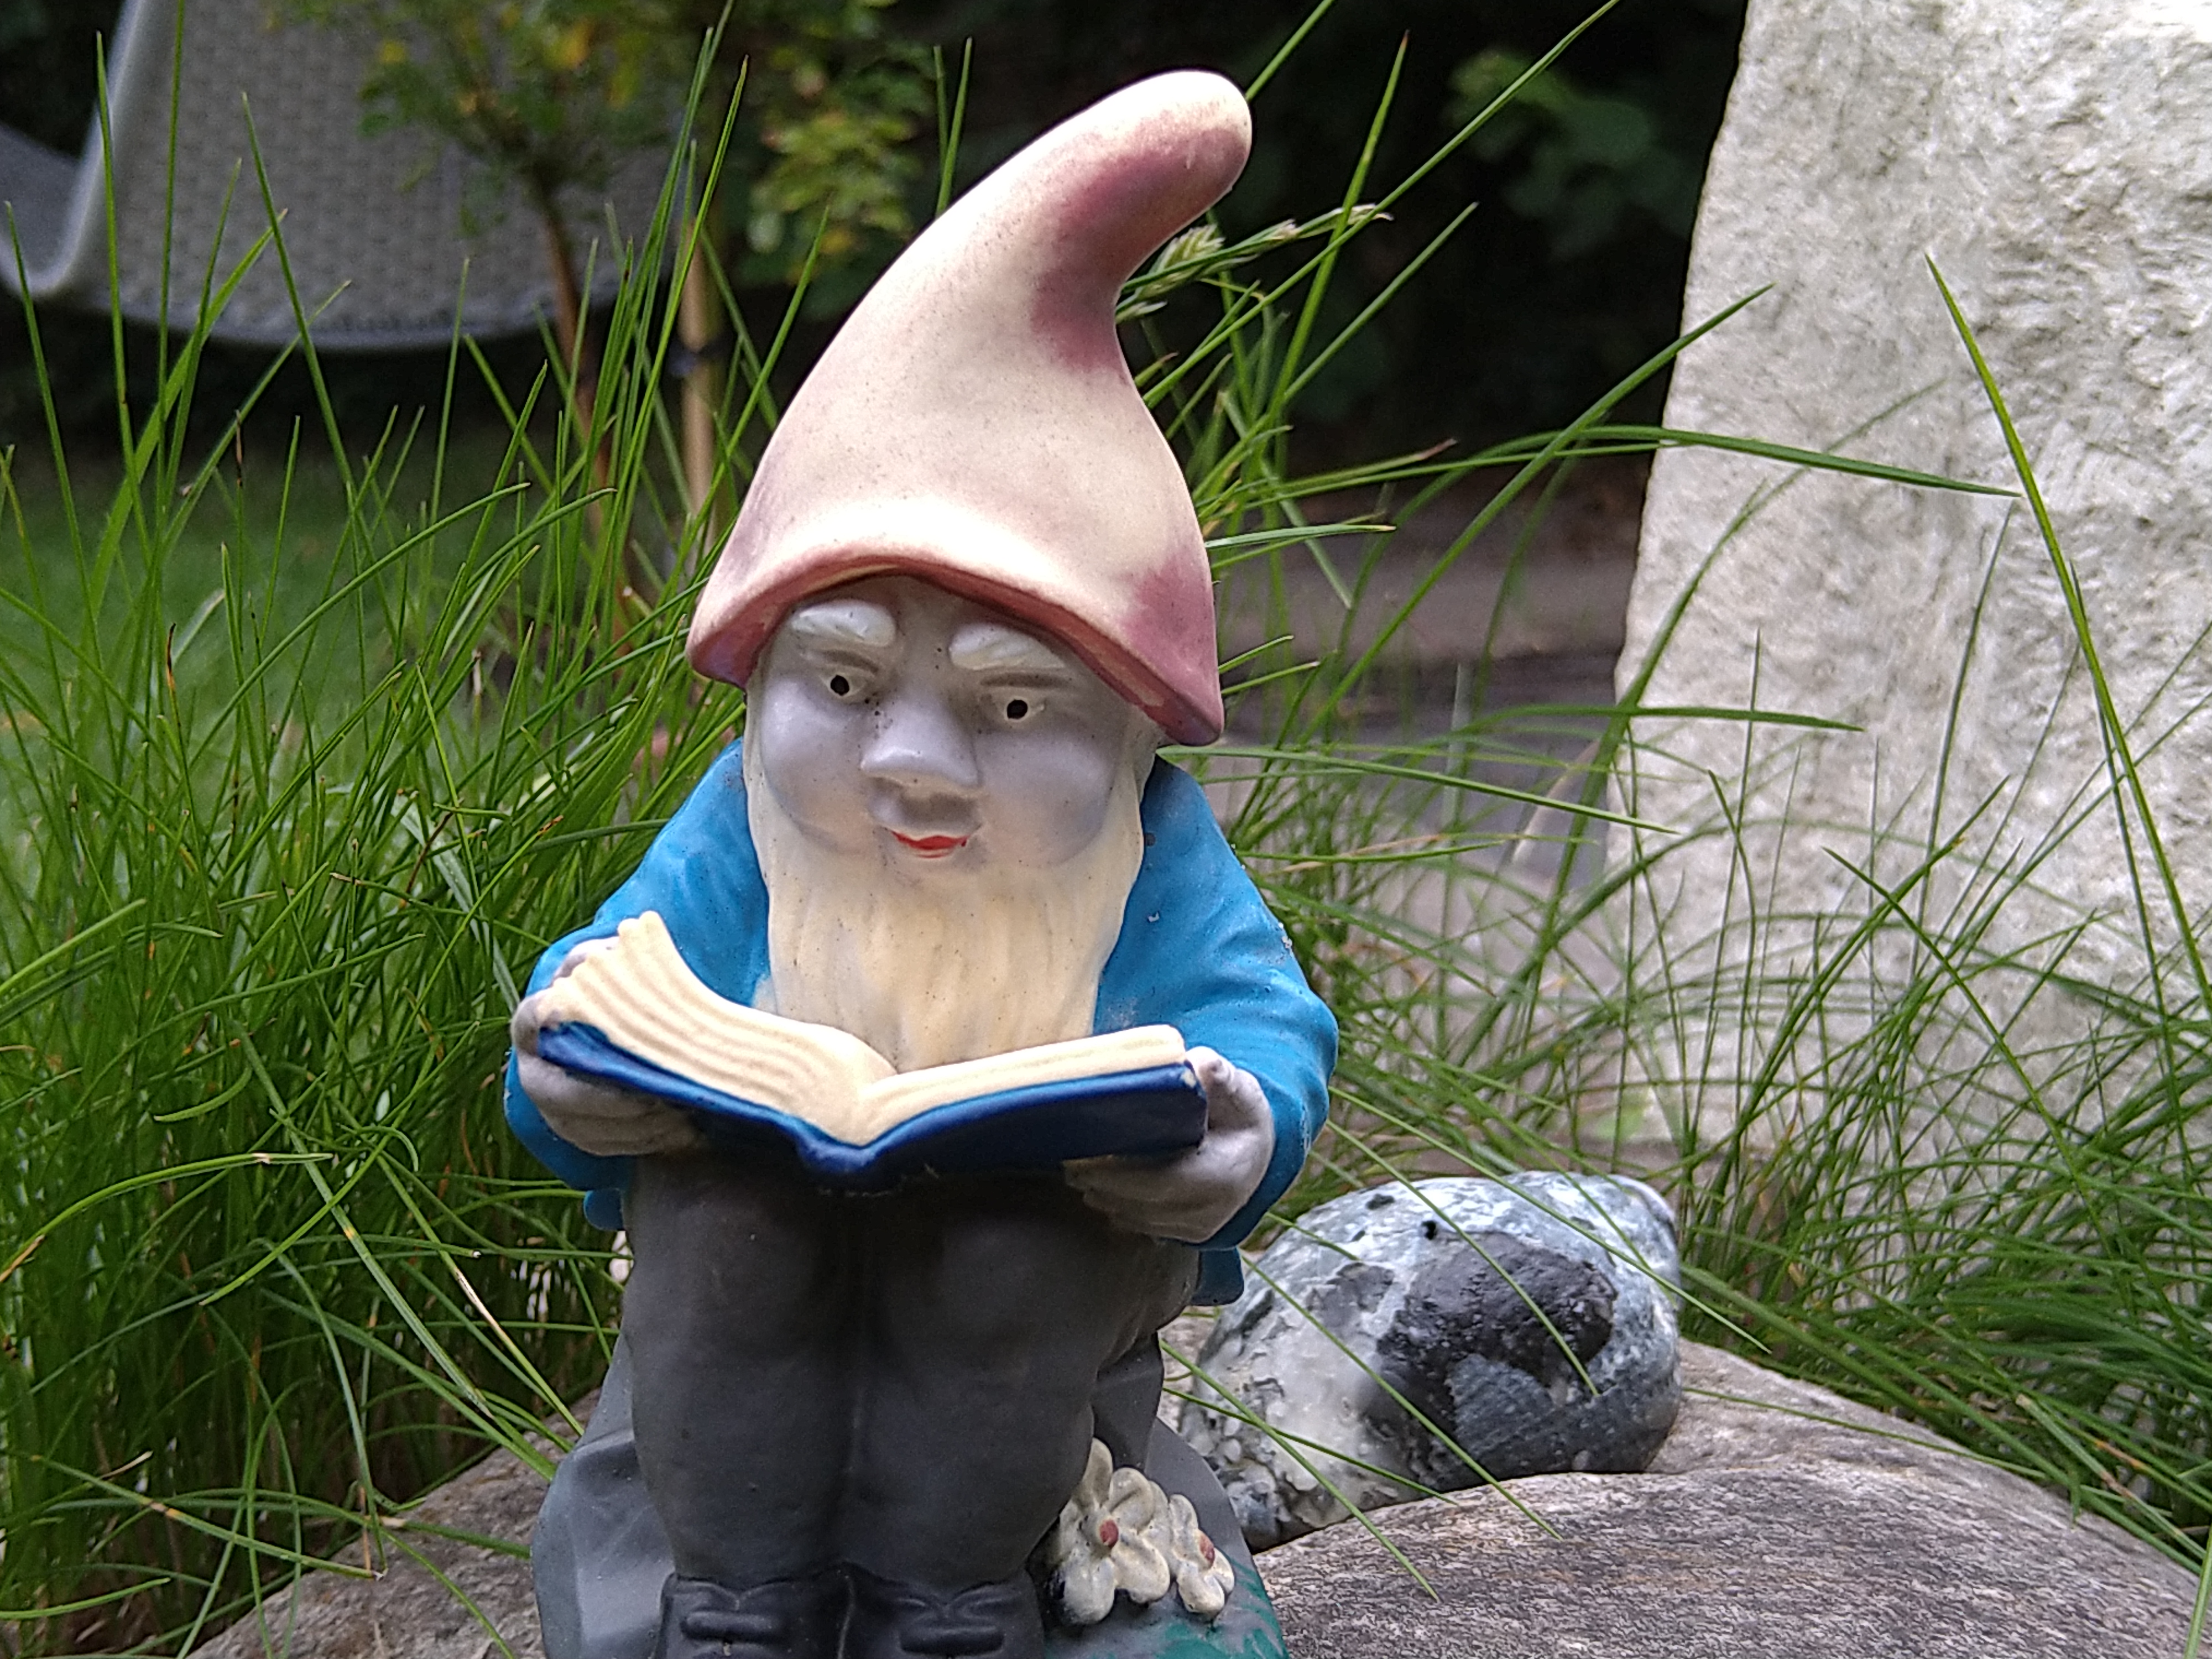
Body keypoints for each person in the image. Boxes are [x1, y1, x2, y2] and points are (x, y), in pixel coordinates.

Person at [505, 72, 1334, 1659]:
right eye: (844, 683)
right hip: (742, 1331)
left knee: (1008, 1259)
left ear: (1128, 723)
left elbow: (1263, 1025)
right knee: (722, 1237)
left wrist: (1235, 1130)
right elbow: (605, 978)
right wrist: (571, 1071)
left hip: (1034, 1334)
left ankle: (957, 1606)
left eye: (1014, 708)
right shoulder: (750, 821)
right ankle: (736, 1603)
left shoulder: (1148, 850)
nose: (913, 765)